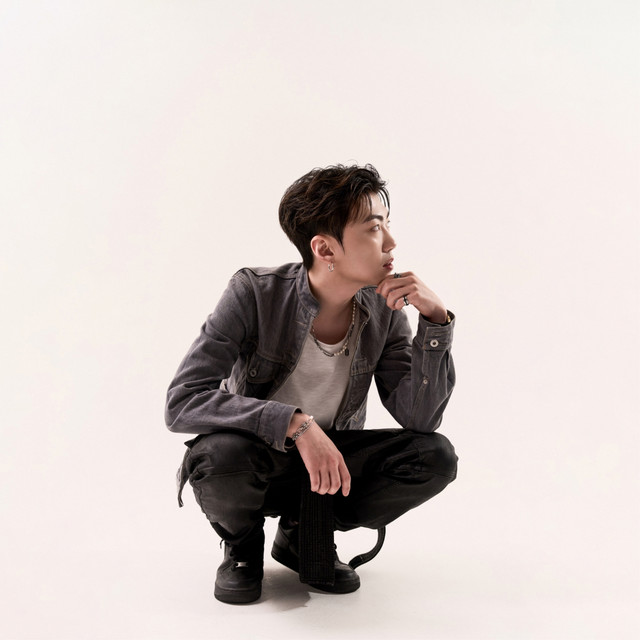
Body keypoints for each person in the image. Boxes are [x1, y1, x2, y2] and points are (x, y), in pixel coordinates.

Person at [165, 164, 458, 604]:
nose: (391, 243)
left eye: (387, 225)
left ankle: (304, 534)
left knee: (433, 456)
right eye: (373, 229)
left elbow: (420, 418)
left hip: (331, 468)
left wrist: (435, 323)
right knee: (218, 455)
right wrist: (295, 424)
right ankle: (243, 546)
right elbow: (183, 402)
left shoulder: (384, 310)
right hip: (258, 462)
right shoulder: (255, 294)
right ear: (324, 248)